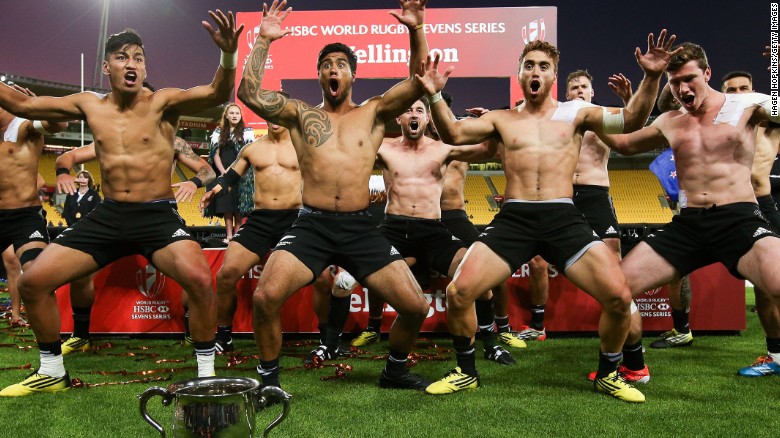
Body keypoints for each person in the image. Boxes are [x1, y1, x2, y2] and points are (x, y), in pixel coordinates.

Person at [420, 31, 678, 402]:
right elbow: (453, 132)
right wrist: (432, 95)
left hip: (563, 217)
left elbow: (633, 120)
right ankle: (466, 371)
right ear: (520, 76)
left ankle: (608, 373)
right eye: (529, 66)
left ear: (553, 75)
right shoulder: (501, 119)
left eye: (543, 65)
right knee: (459, 292)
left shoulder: (578, 114)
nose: (535, 71)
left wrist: (651, 76)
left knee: (619, 297)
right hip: (515, 219)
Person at [0, 11, 243, 396]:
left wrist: (227, 57)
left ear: (145, 67)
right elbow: (26, 106)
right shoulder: (91, 104)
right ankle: (52, 371)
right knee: (33, 282)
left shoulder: (164, 102)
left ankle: (206, 372)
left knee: (199, 279)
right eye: (122, 57)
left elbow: (215, 93)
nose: (132, 64)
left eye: (139, 58)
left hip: (157, 215)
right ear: (107, 66)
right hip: (110, 216)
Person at [236, 0, 434, 391]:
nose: (333, 69)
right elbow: (248, 92)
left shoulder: (375, 112)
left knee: (416, 306)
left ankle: (394, 372)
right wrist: (263, 39)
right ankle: (269, 383)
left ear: (353, 76)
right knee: (264, 298)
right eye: (327, 64)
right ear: (319, 74)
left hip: (361, 228)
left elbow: (419, 79)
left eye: (341, 64)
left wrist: (416, 30)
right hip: (312, 224)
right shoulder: (298, 113)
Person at [599, 43, 780, 384]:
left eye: (689, 79)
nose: (682, 89)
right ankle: (634, 366)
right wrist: (589, 119)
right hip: (688, 224)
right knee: (616, 288)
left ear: (707, 74)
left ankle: (776, 354)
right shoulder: (671, 120)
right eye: (674, 82)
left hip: (738, 218)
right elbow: (624, 143)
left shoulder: (748, 103)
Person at [54, 133, 216, 353]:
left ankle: (191, 333)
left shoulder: (172, 140)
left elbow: (208, 170)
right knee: (79, 272)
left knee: (193, 274)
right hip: (114, 214)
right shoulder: (112, 133)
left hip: (158, 213)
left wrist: (194, 182)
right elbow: (69, 156)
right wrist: (63, 173)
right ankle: (81, 335)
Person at [205, 104, 255, 242]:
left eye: (237, 113)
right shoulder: (218, 132)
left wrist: (239, 172)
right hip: (224, 171)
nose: (234, 115)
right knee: (227, 205)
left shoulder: (247, 131)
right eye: (231, 113)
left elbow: (248, 153)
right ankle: (229, 235)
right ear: (226, 115)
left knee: (239, 205)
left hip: (242, 173)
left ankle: (237, 236)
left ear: (240, 116)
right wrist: (224, 173)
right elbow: (215, 155)